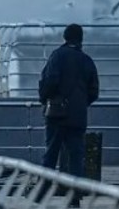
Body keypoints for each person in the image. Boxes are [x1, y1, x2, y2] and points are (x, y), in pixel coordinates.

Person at [38, 23, 100, 178]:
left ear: (64, 37)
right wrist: (80, 103)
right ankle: (75, 196)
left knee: (51, 155)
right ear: (81, 39)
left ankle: (41, 193)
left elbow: (50, 81)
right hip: (78, 116)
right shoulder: (87, 60)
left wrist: (44, 99)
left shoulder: (57, 56)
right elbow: (94, 91)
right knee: (76, 158)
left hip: (57, 114)